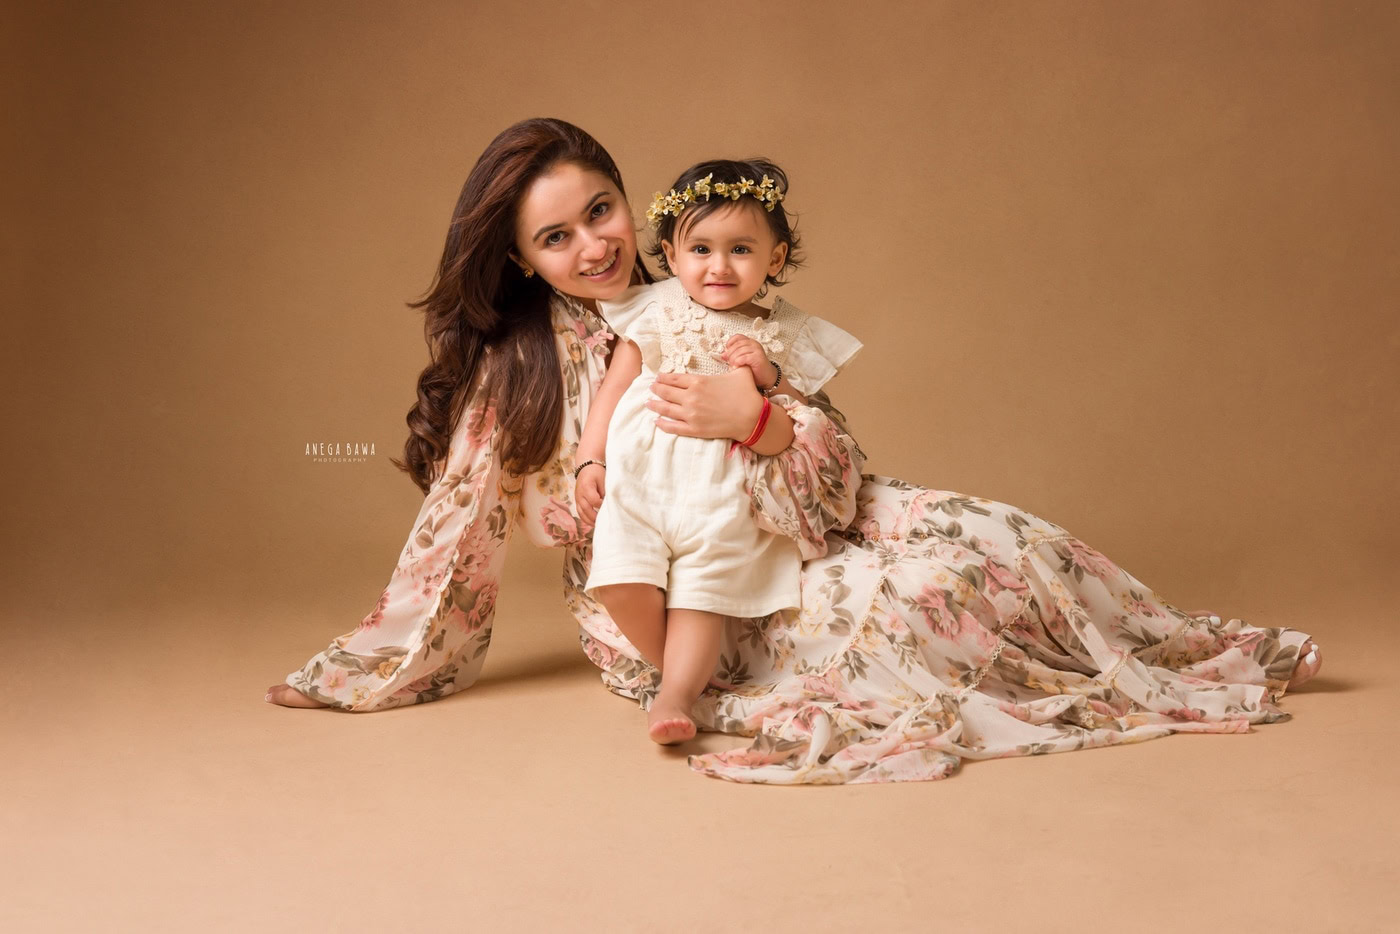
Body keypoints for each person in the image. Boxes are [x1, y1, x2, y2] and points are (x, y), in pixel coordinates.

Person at [266, 117, 1322, 786]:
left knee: (985, 541)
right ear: (518, 257)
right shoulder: (519, 366)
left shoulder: (709, 286)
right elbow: (455, 536)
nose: (592, 245)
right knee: (909, 611)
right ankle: (692, 688)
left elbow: (838, 469)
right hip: (667, 576)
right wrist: (368, 665)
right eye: (556, 237)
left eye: (600, 210)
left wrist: (755, 416)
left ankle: (1173, 649)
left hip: (795, 513)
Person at [574, 158, 862, 744]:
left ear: (774, 260)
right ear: (673, 256)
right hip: (641, 481)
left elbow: (808, 417)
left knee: (701, 595)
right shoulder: (657, 308)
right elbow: (612, 389)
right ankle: (688, 678)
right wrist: (590, 459)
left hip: (726, 491)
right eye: (700, 249)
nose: (719, 266)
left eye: (741, 249)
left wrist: (771, 375)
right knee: (619, 576)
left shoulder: (784, 331)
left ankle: (675, 696)